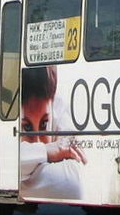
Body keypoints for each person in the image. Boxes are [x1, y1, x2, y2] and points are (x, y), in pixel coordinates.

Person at [20, 65, 86, 199]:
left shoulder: (58, 105)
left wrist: (24, 166)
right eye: (27, 128)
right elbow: (1, 163)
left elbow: (74, 182)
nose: (37, 141)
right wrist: (47, 151)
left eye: (44, 124)